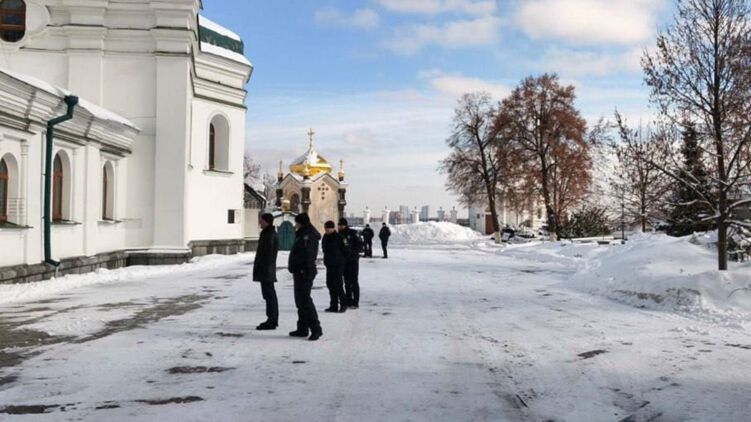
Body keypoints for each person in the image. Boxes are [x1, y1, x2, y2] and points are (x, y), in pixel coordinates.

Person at [288, 213, 323, 341]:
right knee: (300, 301)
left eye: (296, 222)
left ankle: (316, 328)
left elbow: (308, 255)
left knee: (305, 301)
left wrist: (303, 269)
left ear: (301, 222)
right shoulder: (302, 233)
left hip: (305, 271)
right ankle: (302, 328)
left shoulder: (308, 235)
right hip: (300, 271)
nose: (295, 225)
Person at [253, 213, 279, 330]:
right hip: (266, 269)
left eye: (261, 220)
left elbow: (268, 254)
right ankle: (272, 318)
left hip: (266, 270)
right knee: (268, 295)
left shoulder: (269, 235)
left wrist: (263, 267)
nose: (259, 223)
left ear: (266, 222)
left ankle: (272, 320)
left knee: (269, 295)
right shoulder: (267, 234)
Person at [321, 220, 347, 313]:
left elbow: (346, 250)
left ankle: (343, 304)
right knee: (330, 284)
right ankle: (333, 305)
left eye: (328, 229)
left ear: (333, 228)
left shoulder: (340, 237)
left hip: (338, 264)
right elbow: (324, 248)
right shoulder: (325, 237)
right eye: (326, 229)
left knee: (338, 285)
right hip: (329, 264)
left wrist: (341, 259)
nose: (327, 230)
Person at [338, 218, 362, 309]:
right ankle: (349, 300)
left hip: (353, 261)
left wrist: (352, 253)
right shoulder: (339, 235)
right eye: (339, 225)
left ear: (345, 225)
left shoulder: (353, 233)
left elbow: (360, 245)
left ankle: (355, 302)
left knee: (354, 281)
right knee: (347, 282)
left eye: (341, 225)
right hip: (344, 261)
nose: (339, 227)